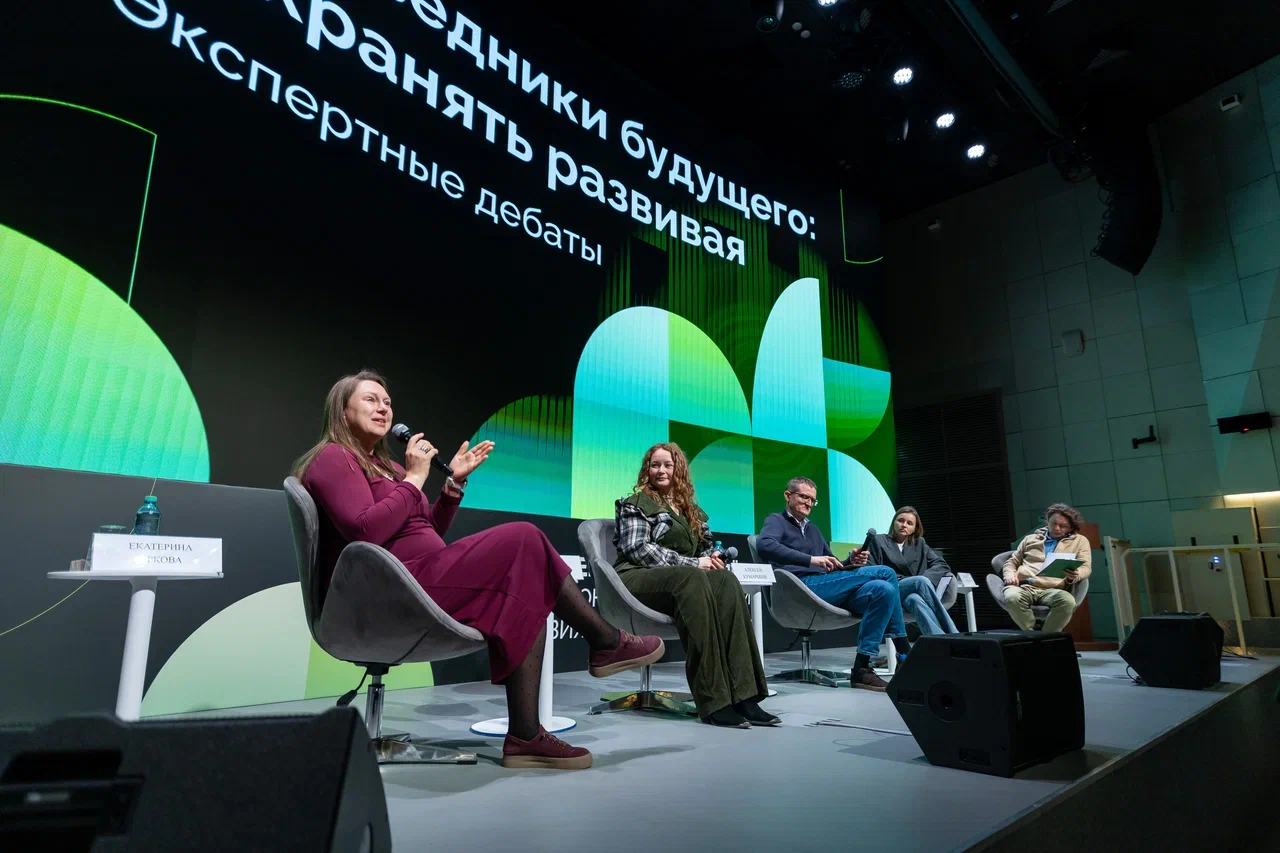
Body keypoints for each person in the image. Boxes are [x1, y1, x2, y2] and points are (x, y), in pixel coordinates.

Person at [294, 371, 664, 770]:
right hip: (390, 591)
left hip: (422, 580)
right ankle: (606, 641)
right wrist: (415, 478)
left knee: (528, 593)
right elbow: (365, 531)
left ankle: (525, 737)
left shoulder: (386, 467)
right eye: (371, 399)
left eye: (387, 402)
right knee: (524, 537)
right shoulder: (333, 458)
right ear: (342, 409)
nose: (384, 408)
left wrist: (452, 486)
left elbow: (425, 529)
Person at [613, 443, 778, 728]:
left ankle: (745, 697)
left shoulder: (691, 511)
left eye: (667, 465)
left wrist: (710, 558)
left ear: (678, 469)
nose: (660, 470)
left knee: (725, 580)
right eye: (654, 465)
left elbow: (703, 549)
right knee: (692, 577)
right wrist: (693, 564)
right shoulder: (636, 504)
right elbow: (637, 548)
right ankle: (714, 702)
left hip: (683, 581)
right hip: (637, 577)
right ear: (646, 470)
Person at [755, 476, 905, 692]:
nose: (808, 503)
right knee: (886, 573)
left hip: (825, 586)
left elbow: (834, 566)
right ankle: (904, 651)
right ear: (788, 496)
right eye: (804, 497)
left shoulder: (813, 530)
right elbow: (765, 545)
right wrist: (810, 560)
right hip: (800, 588)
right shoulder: (776, 520)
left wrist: (850, 561)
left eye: (812, 500)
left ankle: (862, 668)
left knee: (885, 590)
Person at [847, 506, 959, 640]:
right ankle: (954, 636)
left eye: (909, 523)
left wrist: (921, 580)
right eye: (900, 520)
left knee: (914, 599)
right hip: (888, 589)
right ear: (894, 522)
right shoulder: (878, 540)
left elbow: (941, 564)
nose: (904, 525)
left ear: (915, 529)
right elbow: (870, 569)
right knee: (920, 582)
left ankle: (939, 641)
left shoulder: (920, 544)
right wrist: (916, 581)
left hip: (912, 592)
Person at [1001, 503, 1092, 632]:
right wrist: (1009, 576)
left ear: (1071, 528)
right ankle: (1032, 633)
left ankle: (1047, 636)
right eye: (1053, 523)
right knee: (1012, 597)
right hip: (1024, 585)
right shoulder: (1030, 539)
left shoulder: (1080, 541)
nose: (1056, 528)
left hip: (1054, 588)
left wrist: (1076, 574)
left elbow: (1086, 567)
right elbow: (1012, 562)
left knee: (1068, 602)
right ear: (1048, 520)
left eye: (1063, 526)